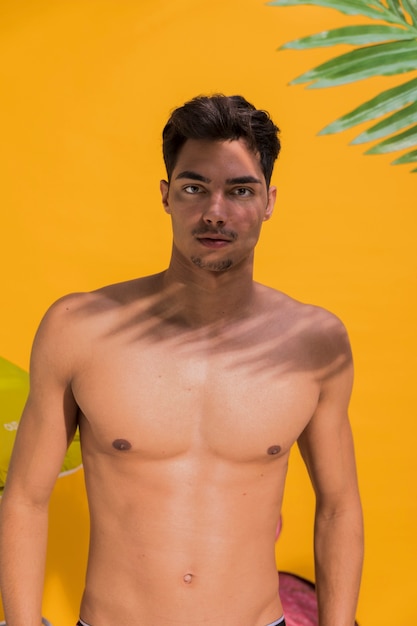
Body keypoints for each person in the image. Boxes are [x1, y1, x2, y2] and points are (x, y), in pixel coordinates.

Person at [0, 94, 363, 626]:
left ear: (269, 201)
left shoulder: (315, 342)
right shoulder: (79, 328)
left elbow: (339, 507)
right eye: (195, 188)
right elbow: (26, 498)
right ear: (167, 197)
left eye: (240, 191)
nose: (215, 212)